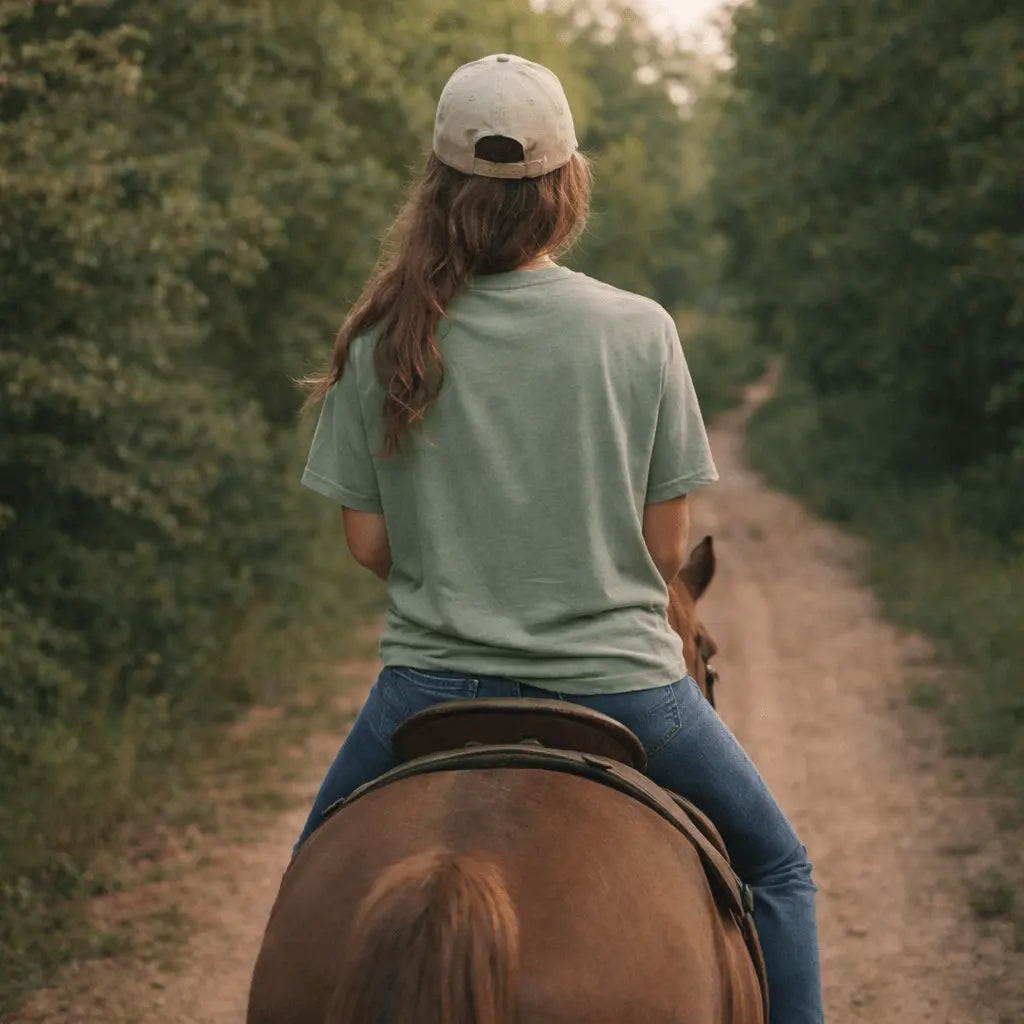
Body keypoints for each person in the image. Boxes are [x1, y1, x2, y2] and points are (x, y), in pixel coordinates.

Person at [296, 53, 823, 1024]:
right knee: (780, 870)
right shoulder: (637, 330)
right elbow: (667, 551)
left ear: (438, 189)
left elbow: (369, 545)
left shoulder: (381, 336)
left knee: (310, 881)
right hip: (623, 681)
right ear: (564, 187)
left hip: (428, 681)